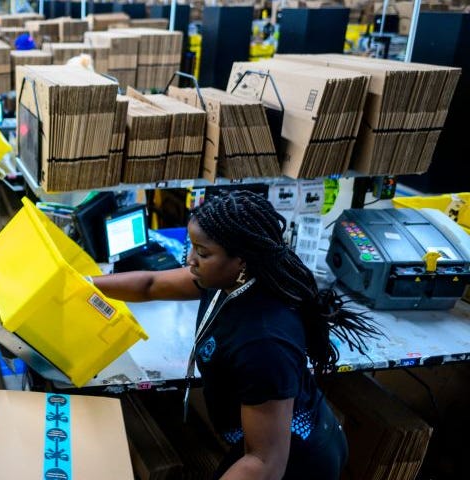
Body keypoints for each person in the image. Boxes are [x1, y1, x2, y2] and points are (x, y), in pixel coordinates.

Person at [91, 191, 380, 480]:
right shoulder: (225, 278)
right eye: (193, 248)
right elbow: (150, 284)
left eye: (202, 253)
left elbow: (264, 463)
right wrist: (84, 286)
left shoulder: (263, 343)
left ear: (241, 259)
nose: (190, 260)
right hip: (257, 443)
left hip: (295, 463)